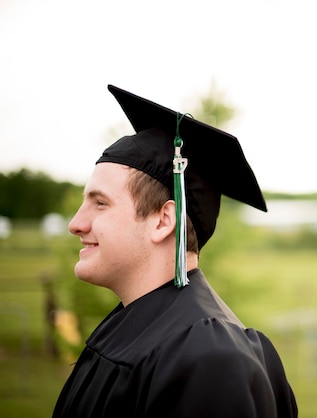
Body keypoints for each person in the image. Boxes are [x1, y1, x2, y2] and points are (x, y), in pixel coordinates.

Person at [53, 85, 298, 418]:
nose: (76, 224)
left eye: (99, 203)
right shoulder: (133, 325)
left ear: (163, 220)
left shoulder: (210, 358)